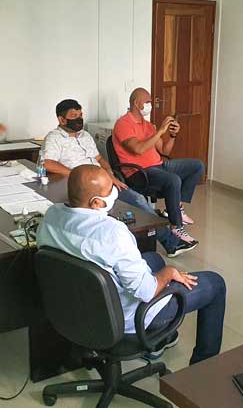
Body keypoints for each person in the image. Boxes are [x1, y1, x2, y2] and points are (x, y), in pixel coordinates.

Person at [37, 164, 226, 364]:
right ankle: (202, 369)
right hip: (124, 319)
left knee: (154, 259)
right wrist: (169, 273)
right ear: (96, 202)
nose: (115, 191)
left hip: (76, 307)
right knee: (215, 284)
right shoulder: (113, 233)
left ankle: (159, 341)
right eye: (109, 190)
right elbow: (146, 291)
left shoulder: (51, 215)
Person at [42, 99, 196, 257]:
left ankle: (168, 242)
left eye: (81, 115)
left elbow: (100, 159)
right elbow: (48, 163)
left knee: (137, 200)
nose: (79, 119)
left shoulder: (85, 136)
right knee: (134, 204)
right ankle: (172, 243)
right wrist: (79, 175)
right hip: (83, 186)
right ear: (62, 120)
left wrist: (110, 175)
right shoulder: (54, 138)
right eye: (74, 116)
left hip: (104, 180)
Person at [112, 88, 205, 244]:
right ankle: (176, 227)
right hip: (139, 172)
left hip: (159, 165)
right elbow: (138, 149)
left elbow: (164, 150)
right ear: (136, 103)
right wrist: (160, 131)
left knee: (197, 166)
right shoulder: (123, 124)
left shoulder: (148, 125)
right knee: (173, 180)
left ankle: (176, 207)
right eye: (147, 102)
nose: (150, 105)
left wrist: (172, 135)